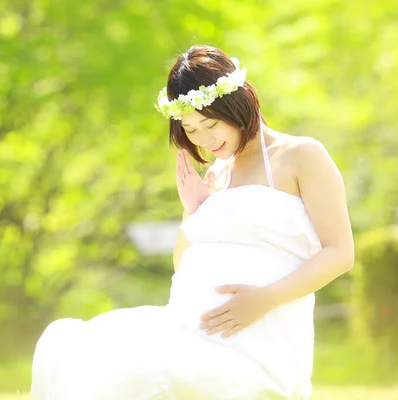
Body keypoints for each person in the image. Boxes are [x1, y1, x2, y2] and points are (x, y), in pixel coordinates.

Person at [30, 45, 355, 400]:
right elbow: (183, 267)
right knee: (70, 346)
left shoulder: (300, 156)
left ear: (239, 103)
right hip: (187, 327)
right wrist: (193, 211)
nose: (204, 139)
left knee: (138, 374)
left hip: (256, 342)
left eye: (211, 124)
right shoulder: (217, 173)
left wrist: (265, 298)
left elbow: (340, 252)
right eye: (191, 129)